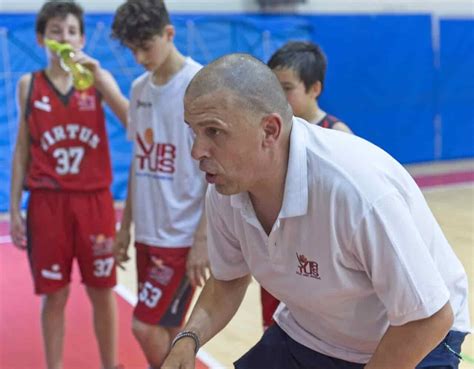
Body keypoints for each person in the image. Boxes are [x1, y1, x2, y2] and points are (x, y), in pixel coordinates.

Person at [162, 53, 470, 369]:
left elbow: (431, 317)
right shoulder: (228, 188)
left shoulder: (353, 190)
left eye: (213, 131)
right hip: (312, 330)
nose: (196, 150)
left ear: (269, 130)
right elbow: (228, 281)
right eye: (193, 131)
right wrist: (188, 339)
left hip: (420, 335)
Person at [9, 1, 128, 369]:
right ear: (42, 38)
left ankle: (111, 365)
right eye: (56, 31)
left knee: (102, 290)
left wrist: (103, 77)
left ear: (82, 38)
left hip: (94, 202)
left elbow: (132, 123)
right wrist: (15, 208)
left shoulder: (93, 80)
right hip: (47, 203)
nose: (64, 37)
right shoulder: (29, 84)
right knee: (54, 295)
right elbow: (22, 151)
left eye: (72, 31)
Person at [110, 1, 208, 368]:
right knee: (165, 329)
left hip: (181, 238)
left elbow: (214, 170)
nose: (138, 57)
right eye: (131, 49)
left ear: (169, 34)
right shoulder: (139, 89)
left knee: (143, 326)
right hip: (148, 234)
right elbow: (140, 160)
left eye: (145, 47)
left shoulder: (198, 86)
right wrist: (125, 227)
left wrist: (203, 238)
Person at [258, 40, 353, 329]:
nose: (277, 97)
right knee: (274, 336)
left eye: (286, 89)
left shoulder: (338, 136)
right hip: (278, 255)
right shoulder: (269, 134)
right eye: (272, 88)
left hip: (320, 262)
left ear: (315, 88)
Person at [268, 40, 351, 133]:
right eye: (275, 86)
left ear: (315, 89)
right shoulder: (272, 128)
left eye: (287, 88)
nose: (279, 95)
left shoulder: (337, 132)